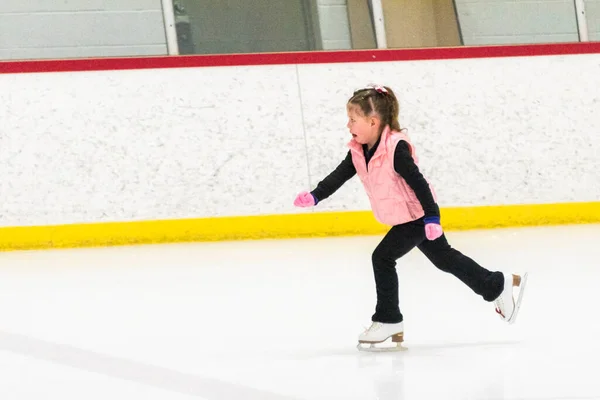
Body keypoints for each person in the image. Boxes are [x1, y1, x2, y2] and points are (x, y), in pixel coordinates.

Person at [293, 84, 527, 350]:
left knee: (382, 257)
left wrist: (432, 218)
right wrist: (315, 196)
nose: (348, 125)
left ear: (373, 121)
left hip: (417, 217)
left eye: (352, 119)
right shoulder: (359, 149)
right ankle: (496, 284)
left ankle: (388, 318)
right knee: (444, 259)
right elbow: (339, 174)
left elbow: (419, 183)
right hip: (406, 216)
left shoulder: (395, 148)